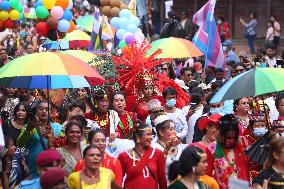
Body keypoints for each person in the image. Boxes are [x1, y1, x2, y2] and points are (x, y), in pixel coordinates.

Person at [17, 100, 64, 178]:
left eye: (47, 109)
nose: (44, 112)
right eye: (41, 109)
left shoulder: (58, 128)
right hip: (33, 169)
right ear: (36, 111)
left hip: (52, 167)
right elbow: (20, 144)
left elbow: (63, 148)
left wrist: (52, 139)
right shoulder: (29, 127)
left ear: (51, 112)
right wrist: (28, 130)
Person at [118, 122, 167, 189]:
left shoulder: (157, 153)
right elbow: (117, 180)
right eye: (148, 134)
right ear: (138, 137)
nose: (151, 137)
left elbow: (162, 180)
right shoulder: (123, 156)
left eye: (151, 135)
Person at [206, 114, 249, 189]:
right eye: (228, 138)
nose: (231, 141)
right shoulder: (212, 148)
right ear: (220, 134)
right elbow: (207, 174)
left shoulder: (243, 144)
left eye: (233, 138)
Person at [151, 114, 187, 183]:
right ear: (161, 132)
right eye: (171, 129)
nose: (174, 132)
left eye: (174, 129)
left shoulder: (177, 146)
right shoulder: (154, 148)